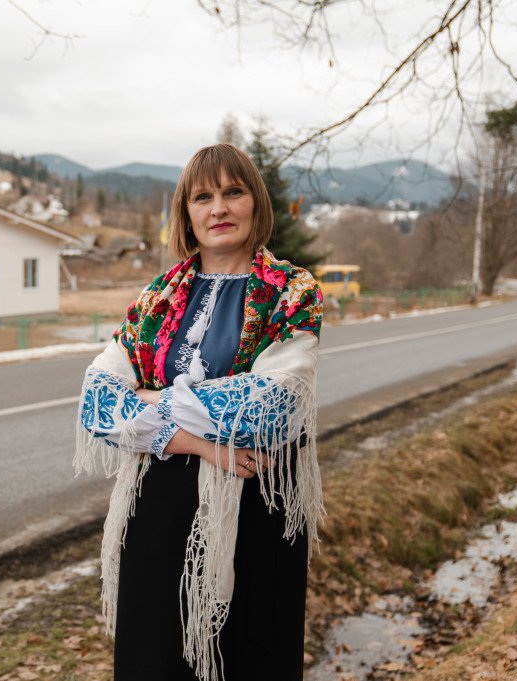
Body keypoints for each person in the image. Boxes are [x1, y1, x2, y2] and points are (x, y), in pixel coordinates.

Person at [73, 143, 324, 681]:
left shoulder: (289, 291)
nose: (219, 209)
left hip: (257, 511)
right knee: (156, 659)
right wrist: (194, 441)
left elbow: (272, 408)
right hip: (160, 513)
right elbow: (97, 401)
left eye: (233, 192)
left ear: (255, 202)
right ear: (186, 213)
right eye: (202, 197)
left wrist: (149, 401)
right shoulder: (157, 299)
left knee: (248, 659)